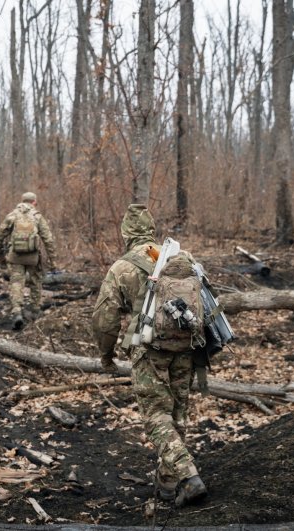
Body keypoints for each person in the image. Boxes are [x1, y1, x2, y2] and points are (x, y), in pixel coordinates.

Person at [91, 204, 207, 507]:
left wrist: (106, 356)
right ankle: (168, 485)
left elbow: (104, 319)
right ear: (151, 229)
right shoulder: (181, 258)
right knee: (177, 412)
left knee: (156, 415)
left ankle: (188, 475)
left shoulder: (122, 268)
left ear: (125, 233)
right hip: (185, 346)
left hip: (149, 350)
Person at [0, 192, 56, 330]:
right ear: (34, 202)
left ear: (22, 201)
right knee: (35, 281)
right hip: (33, 257)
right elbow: (48, 240)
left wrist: (1, 257)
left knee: (16, 283)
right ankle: (35, 310)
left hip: (15, 257)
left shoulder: (12, 215)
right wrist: (53, 261)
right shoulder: (37, 216)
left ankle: (17, 311)